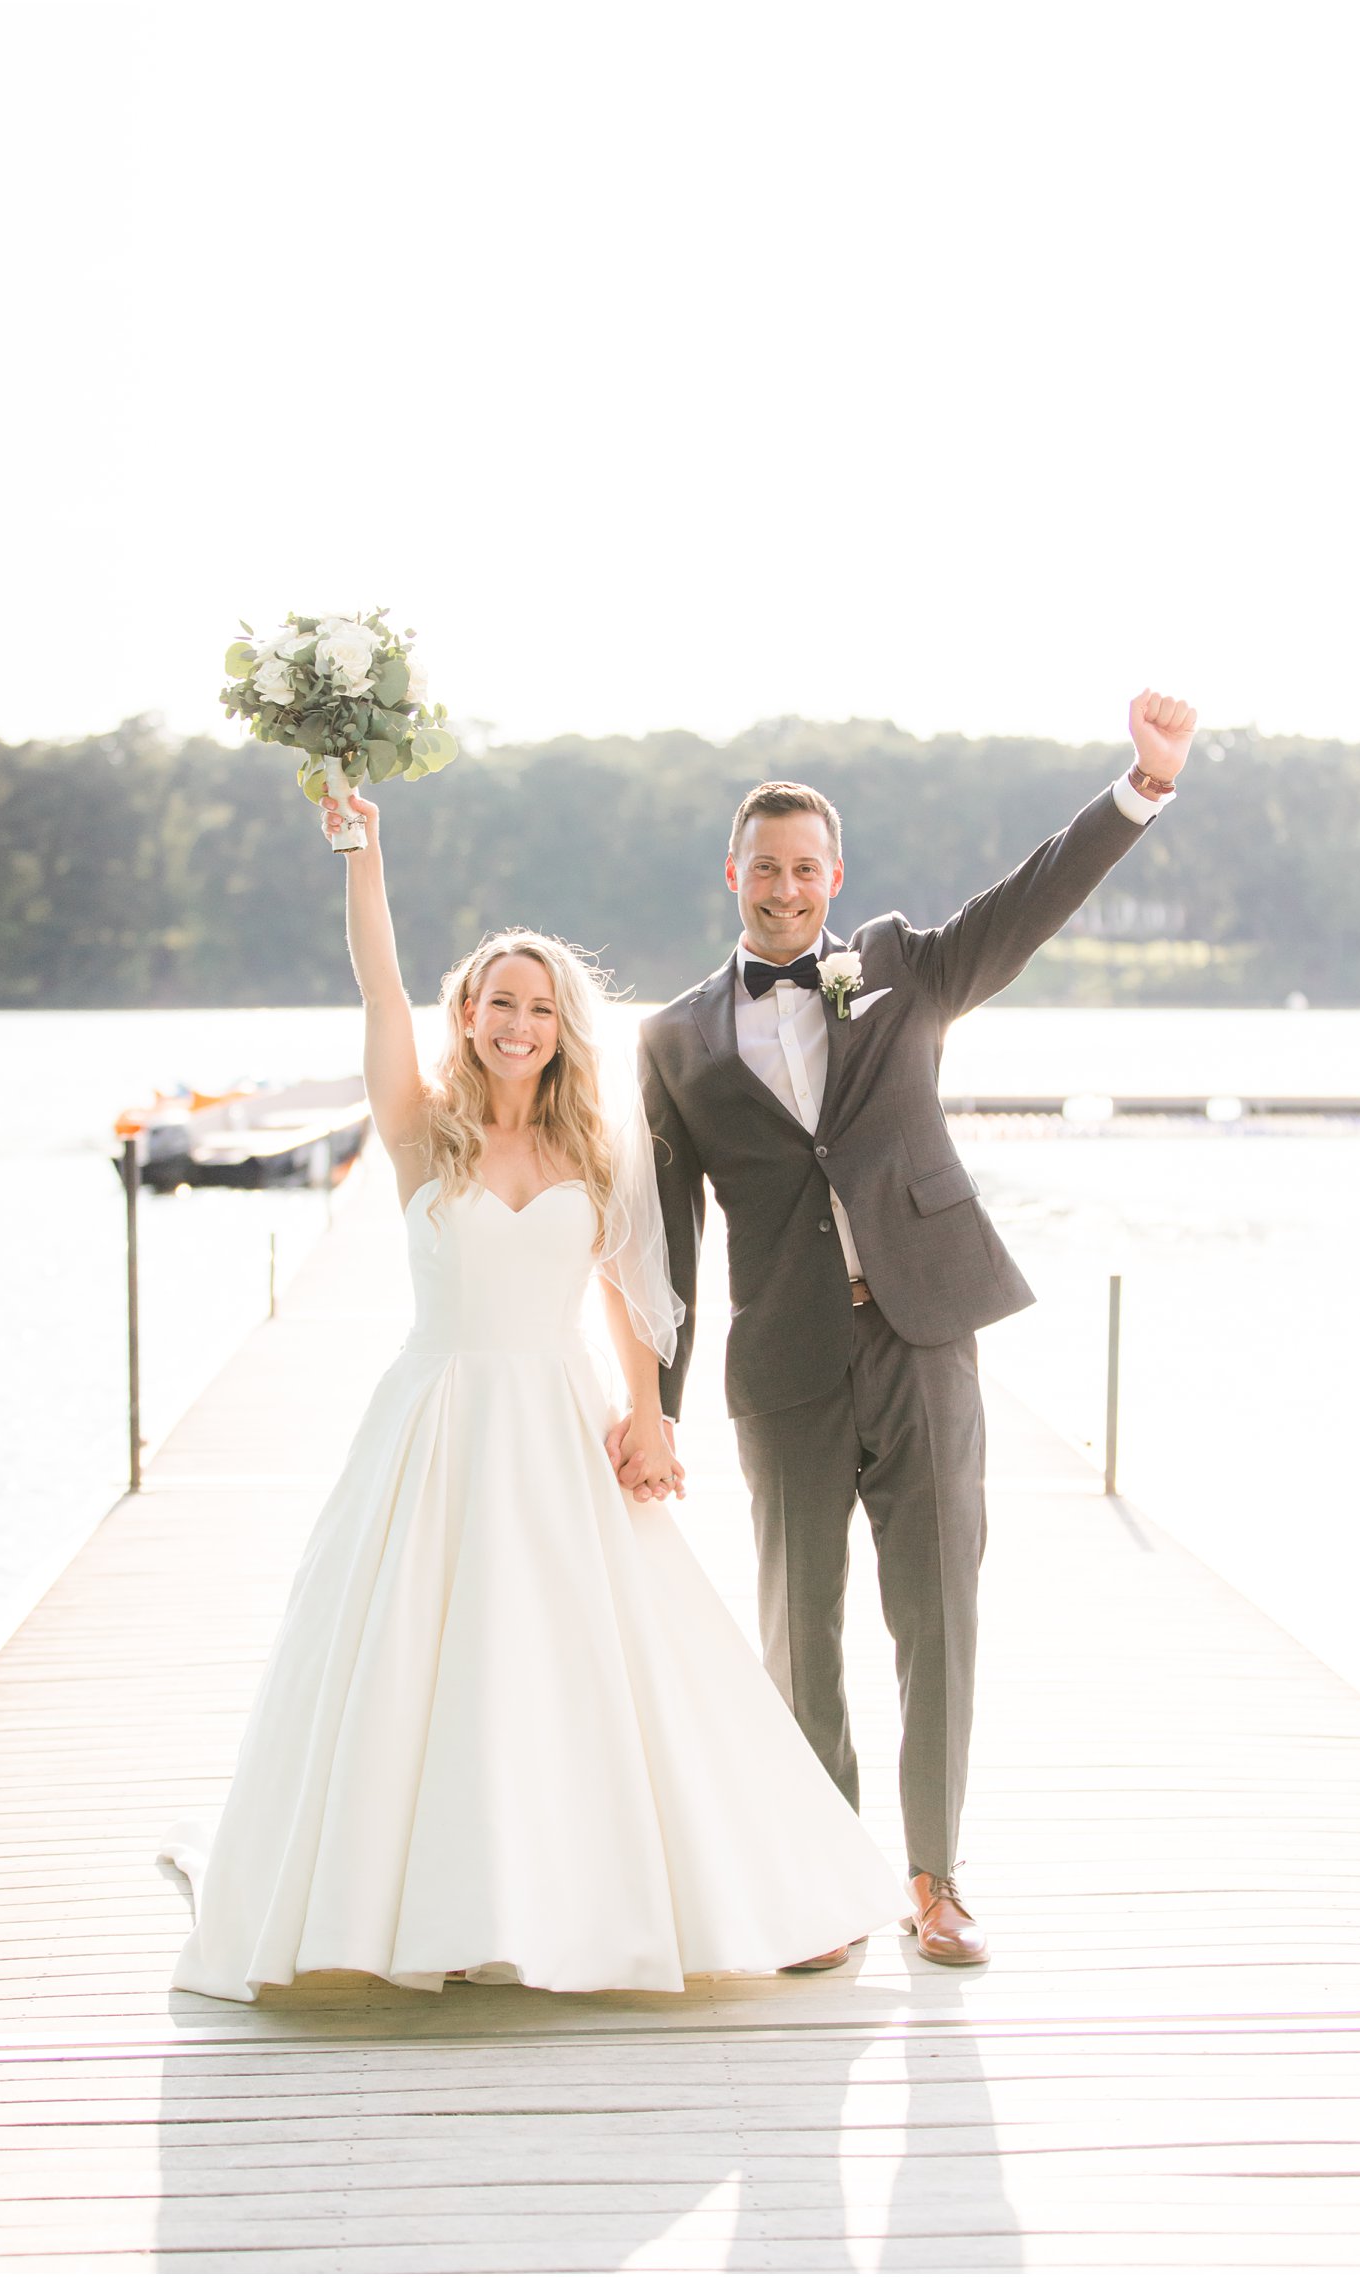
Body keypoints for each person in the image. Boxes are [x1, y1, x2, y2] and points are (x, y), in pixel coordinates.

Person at [156, 785, 908, 2000]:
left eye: (539, 1009)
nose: (517, 1024)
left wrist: (647, 1409)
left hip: (557, 1427)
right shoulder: (418, 1130)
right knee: (417, 1666)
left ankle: (590, 1902)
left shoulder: (587, 1147)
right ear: (468, 1012)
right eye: (499, 1003)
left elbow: (623, 1285)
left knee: (589, 1670)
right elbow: (375, 988)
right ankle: (417, 1910)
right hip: (435, 1425)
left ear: (563, 1028)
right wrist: (364, 853)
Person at [620, 688, 1198, 1967]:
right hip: (782, 1365)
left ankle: (934, 1878)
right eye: (763, 867)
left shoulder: (894, 963)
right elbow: (664, 1240)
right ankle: (823, 1883)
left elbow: (1025, 903)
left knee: (937, 1609)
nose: (784, 887)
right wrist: (650, 1407)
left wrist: (1139, 787)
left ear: (835, 875)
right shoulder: (669, 1040)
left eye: (805, 867)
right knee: (800, 1622)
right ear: (731, 873)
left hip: (925, 1334)